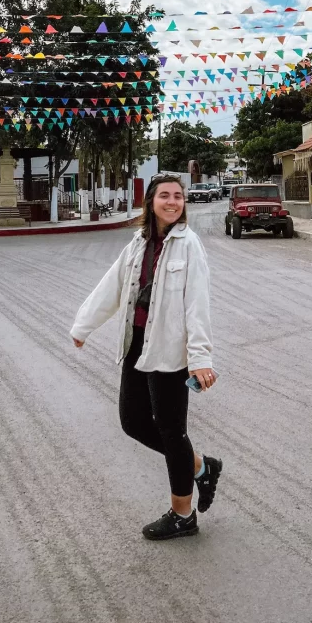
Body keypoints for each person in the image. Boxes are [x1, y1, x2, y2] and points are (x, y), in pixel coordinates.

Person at [70, 173, 222, 541]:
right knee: (133, 421)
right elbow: (112, 286)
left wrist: (200, 358)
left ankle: (183, 514)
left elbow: (197, 304)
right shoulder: (137, 243)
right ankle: (201, 466)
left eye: (178, 197)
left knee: (172, 432)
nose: (173, 202)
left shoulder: (190, 245)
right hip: (137, 344)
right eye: (165, 196)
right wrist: (83, 327)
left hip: (171, 351)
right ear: (151, 201)